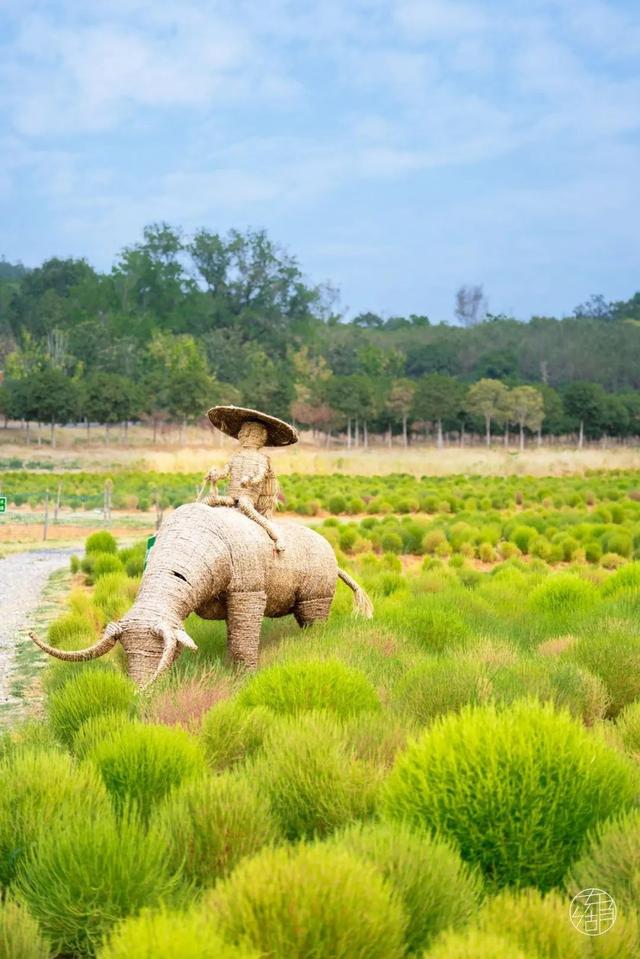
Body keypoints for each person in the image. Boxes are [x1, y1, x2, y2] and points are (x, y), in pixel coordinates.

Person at [202, 405, 299, 552]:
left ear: (261, 437)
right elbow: (225, 472)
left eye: (251, 432)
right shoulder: (236, 457)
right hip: (232, 496)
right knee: (208, 501)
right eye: (244, 431)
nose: (245, 435)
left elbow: (259, 476)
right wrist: (215, 475)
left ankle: (276, 535)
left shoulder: (262, 459)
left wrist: (249, 481)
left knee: (245, 506)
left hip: (247, 498)